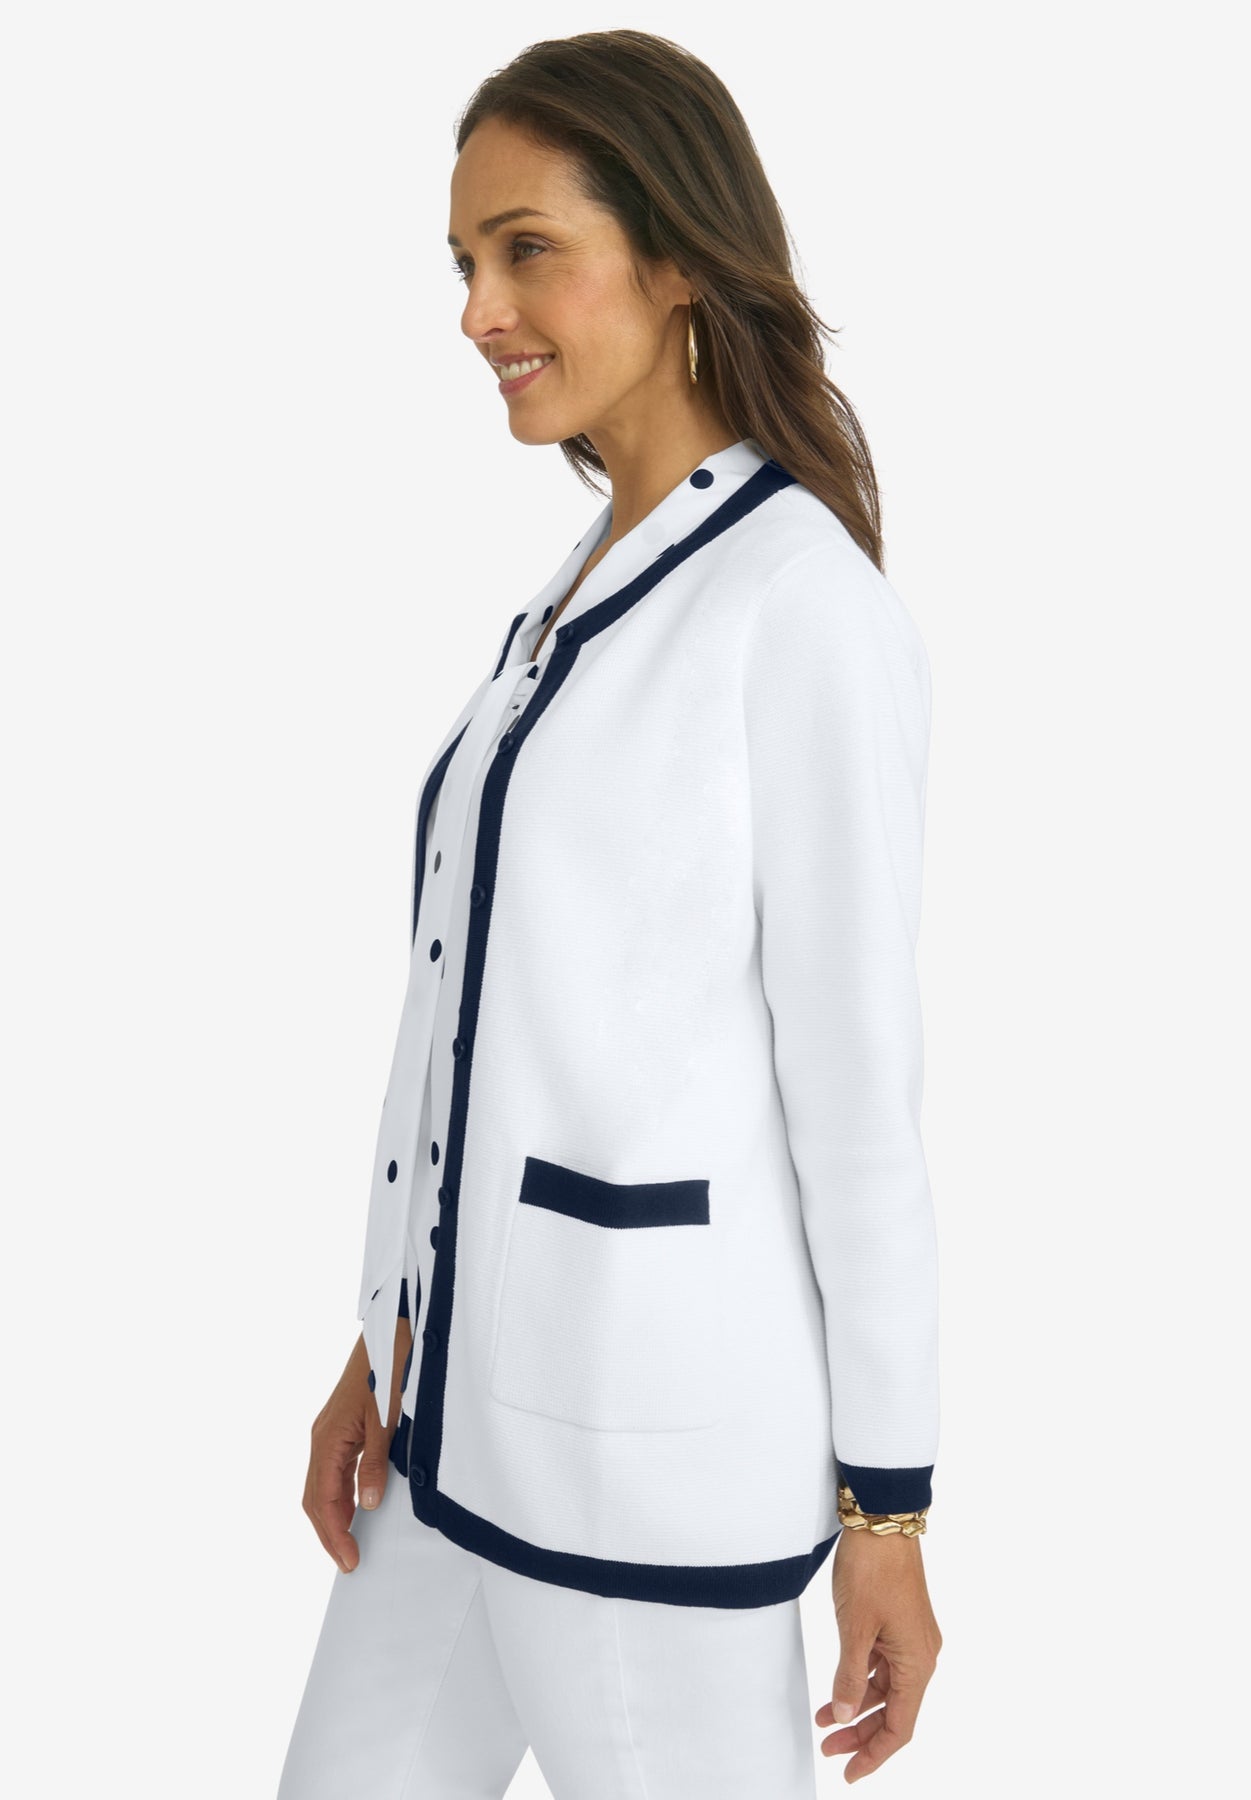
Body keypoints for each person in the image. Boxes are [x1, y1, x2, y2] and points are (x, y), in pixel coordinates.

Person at [277, 28, 942, 1800]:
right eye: (462, 262)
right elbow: (489, 1018)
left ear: (676, 259)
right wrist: (382, 1334)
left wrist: (888, 1505)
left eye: (526, 251)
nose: (478, 311)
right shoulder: (581, 587)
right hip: (451, 1426)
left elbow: (858, 1097)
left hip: (641, 1460)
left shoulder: (799, 606)